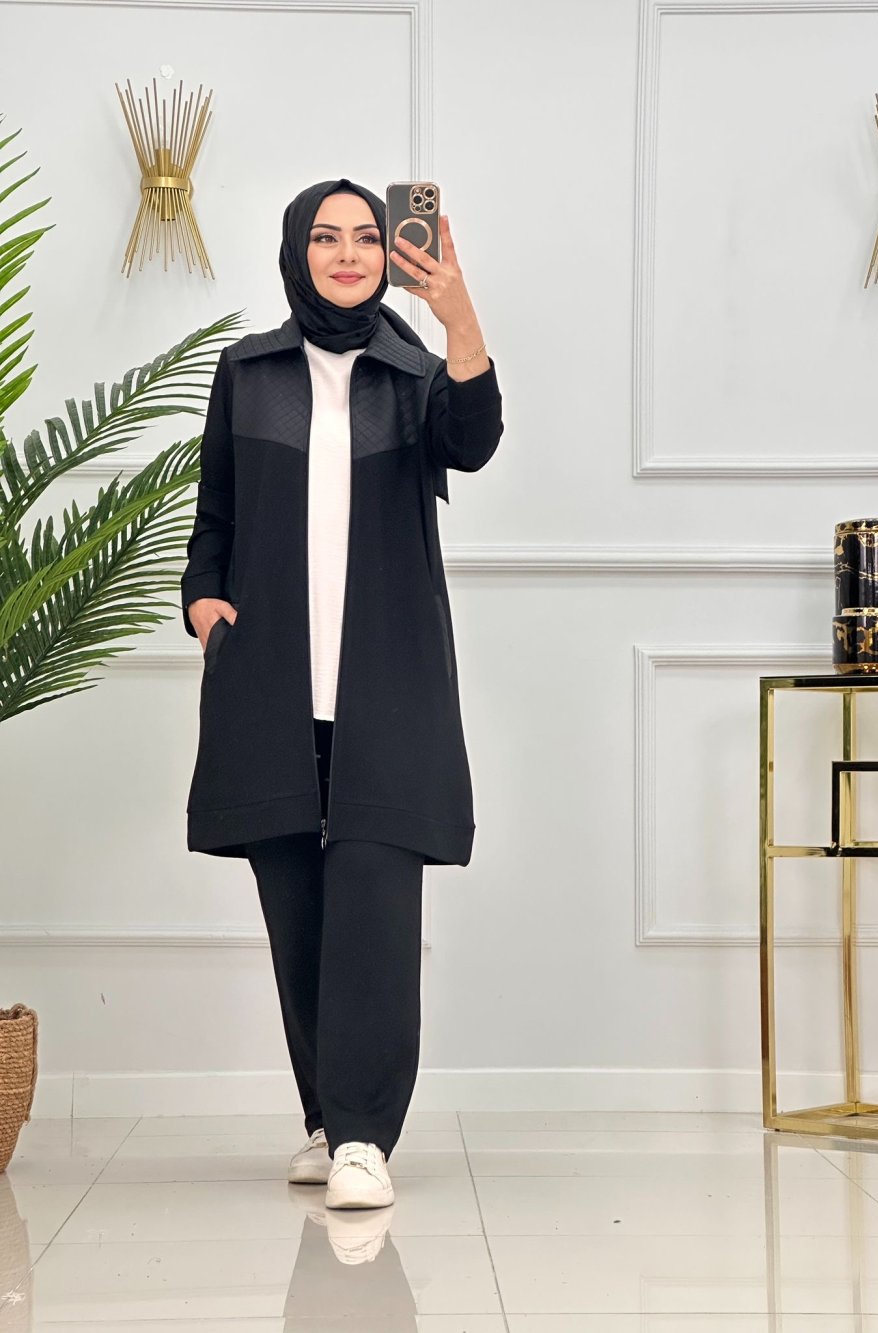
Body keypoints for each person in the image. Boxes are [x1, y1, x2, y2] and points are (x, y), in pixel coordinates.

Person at [180, 178, 504, 1209]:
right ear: (298, 252)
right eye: (327, 236)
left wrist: (457, 314)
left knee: (372, 905)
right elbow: (216, 514)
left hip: (386, 680)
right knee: (297, 909)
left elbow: (475, 440)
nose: (350, 252)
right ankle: (328, 1118)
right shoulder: (249, 372)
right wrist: (204, 606)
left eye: (367, 236)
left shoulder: (415, 375)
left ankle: (367, 1137)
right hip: (271, 676)